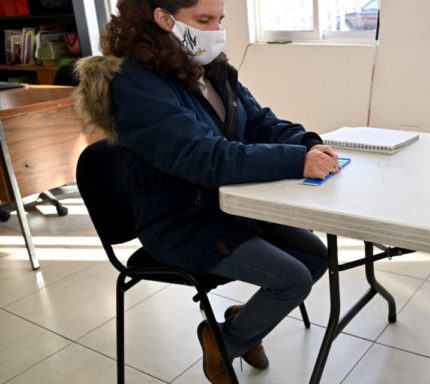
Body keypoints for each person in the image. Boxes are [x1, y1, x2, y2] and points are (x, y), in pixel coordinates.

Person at [75, 0, 339, 382]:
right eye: (203, 20)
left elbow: (259, 122)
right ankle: (222, 342)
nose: (216, 29)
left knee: (315, 255)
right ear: (164, 18)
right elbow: (205, 158)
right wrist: (294, 161)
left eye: (220, 19)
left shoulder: (210, 68)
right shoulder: (135, 85)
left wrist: (308, 144)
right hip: (182, 222)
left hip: (230, 206)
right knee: (292, 279)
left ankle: (242, 322)